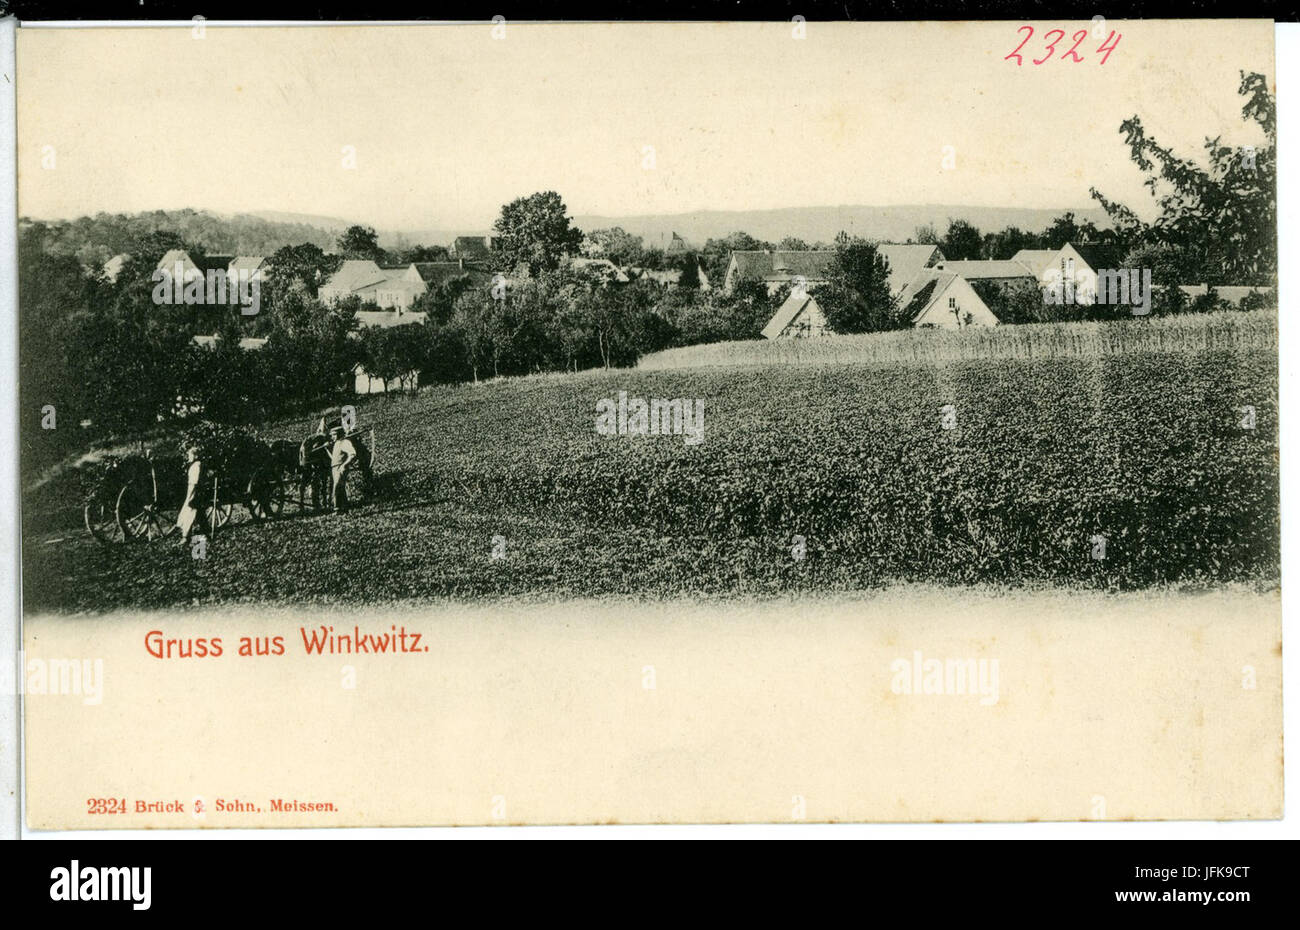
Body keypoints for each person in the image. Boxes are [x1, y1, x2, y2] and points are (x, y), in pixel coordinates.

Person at [175, 445, 209, 544]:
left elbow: (194, 483)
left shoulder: (196, 466)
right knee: (198, 514)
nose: (188, 457)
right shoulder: (196, 465)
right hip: (195, 492)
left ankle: (186, 537)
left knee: (189, 513)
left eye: (190, 455)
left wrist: (190, 496)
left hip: (195, 492)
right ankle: (204, 534)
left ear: (195, 455)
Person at [329, 426, 357, 514]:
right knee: (341, 488)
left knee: (336, 487)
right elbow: (334, 457)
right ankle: (344, 509)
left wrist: (344, 465)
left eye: (334, 435)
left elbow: (352, 454)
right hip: (334, 468)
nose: (332, 437)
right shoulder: (336, 443)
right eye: (332, 435)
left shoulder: (345, 442)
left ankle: (337, 509)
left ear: (340, 434)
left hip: (340, 468)